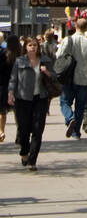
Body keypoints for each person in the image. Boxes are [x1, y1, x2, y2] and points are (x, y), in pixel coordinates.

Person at [8, 37, 57, 169]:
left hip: (40, 99)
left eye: (35, 45)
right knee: (23, 130)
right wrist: (11, 93)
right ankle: (24, 151)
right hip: (22, 99)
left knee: (37, 130)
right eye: (30, 45)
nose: (33, 47)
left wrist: (46, 72)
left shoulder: (45, 60)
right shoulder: (20, 61)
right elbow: (13, 79)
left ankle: (32, 160)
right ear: (25, 47)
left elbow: (55, 76)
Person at [55, 19, 87, 140]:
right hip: (84, 79)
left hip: (68, 78)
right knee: (81, 106)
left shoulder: (67, 40)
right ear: (86, 28)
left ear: (75, 26)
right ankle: (76, 132)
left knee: (64, 102)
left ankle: (70, 118)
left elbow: (58, 56)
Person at [0, 33, 20, 143]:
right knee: (18, 112)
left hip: (3, 86)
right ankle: (19, 133)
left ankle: (1, 131)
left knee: (2, 111)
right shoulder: (21, 55)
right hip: (18, 87)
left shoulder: (3, 54)